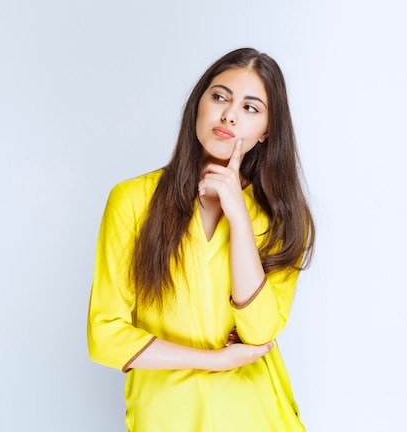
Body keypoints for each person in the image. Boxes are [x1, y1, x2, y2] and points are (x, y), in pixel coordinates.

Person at [87, 47, 315, 431]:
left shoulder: (283, 218)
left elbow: (259, 332)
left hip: (256, 414)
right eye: (220, 96)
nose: (229, 114)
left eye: (250, 108)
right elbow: (105, 336)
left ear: (267, 132)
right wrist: (213, 360)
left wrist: (238, 218)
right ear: (199, 103)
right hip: (166, 416)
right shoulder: (132, 201)